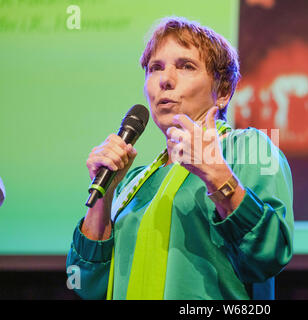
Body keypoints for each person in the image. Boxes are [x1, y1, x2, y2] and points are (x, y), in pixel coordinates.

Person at [66, 17, 294, 300]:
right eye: (155, 68)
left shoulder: (250, 148)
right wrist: (106, 192)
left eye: (186, 66)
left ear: (222, 91)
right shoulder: (133, 181)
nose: (165, 80)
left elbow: (270, 255)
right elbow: (84, 286)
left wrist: (218, 178)